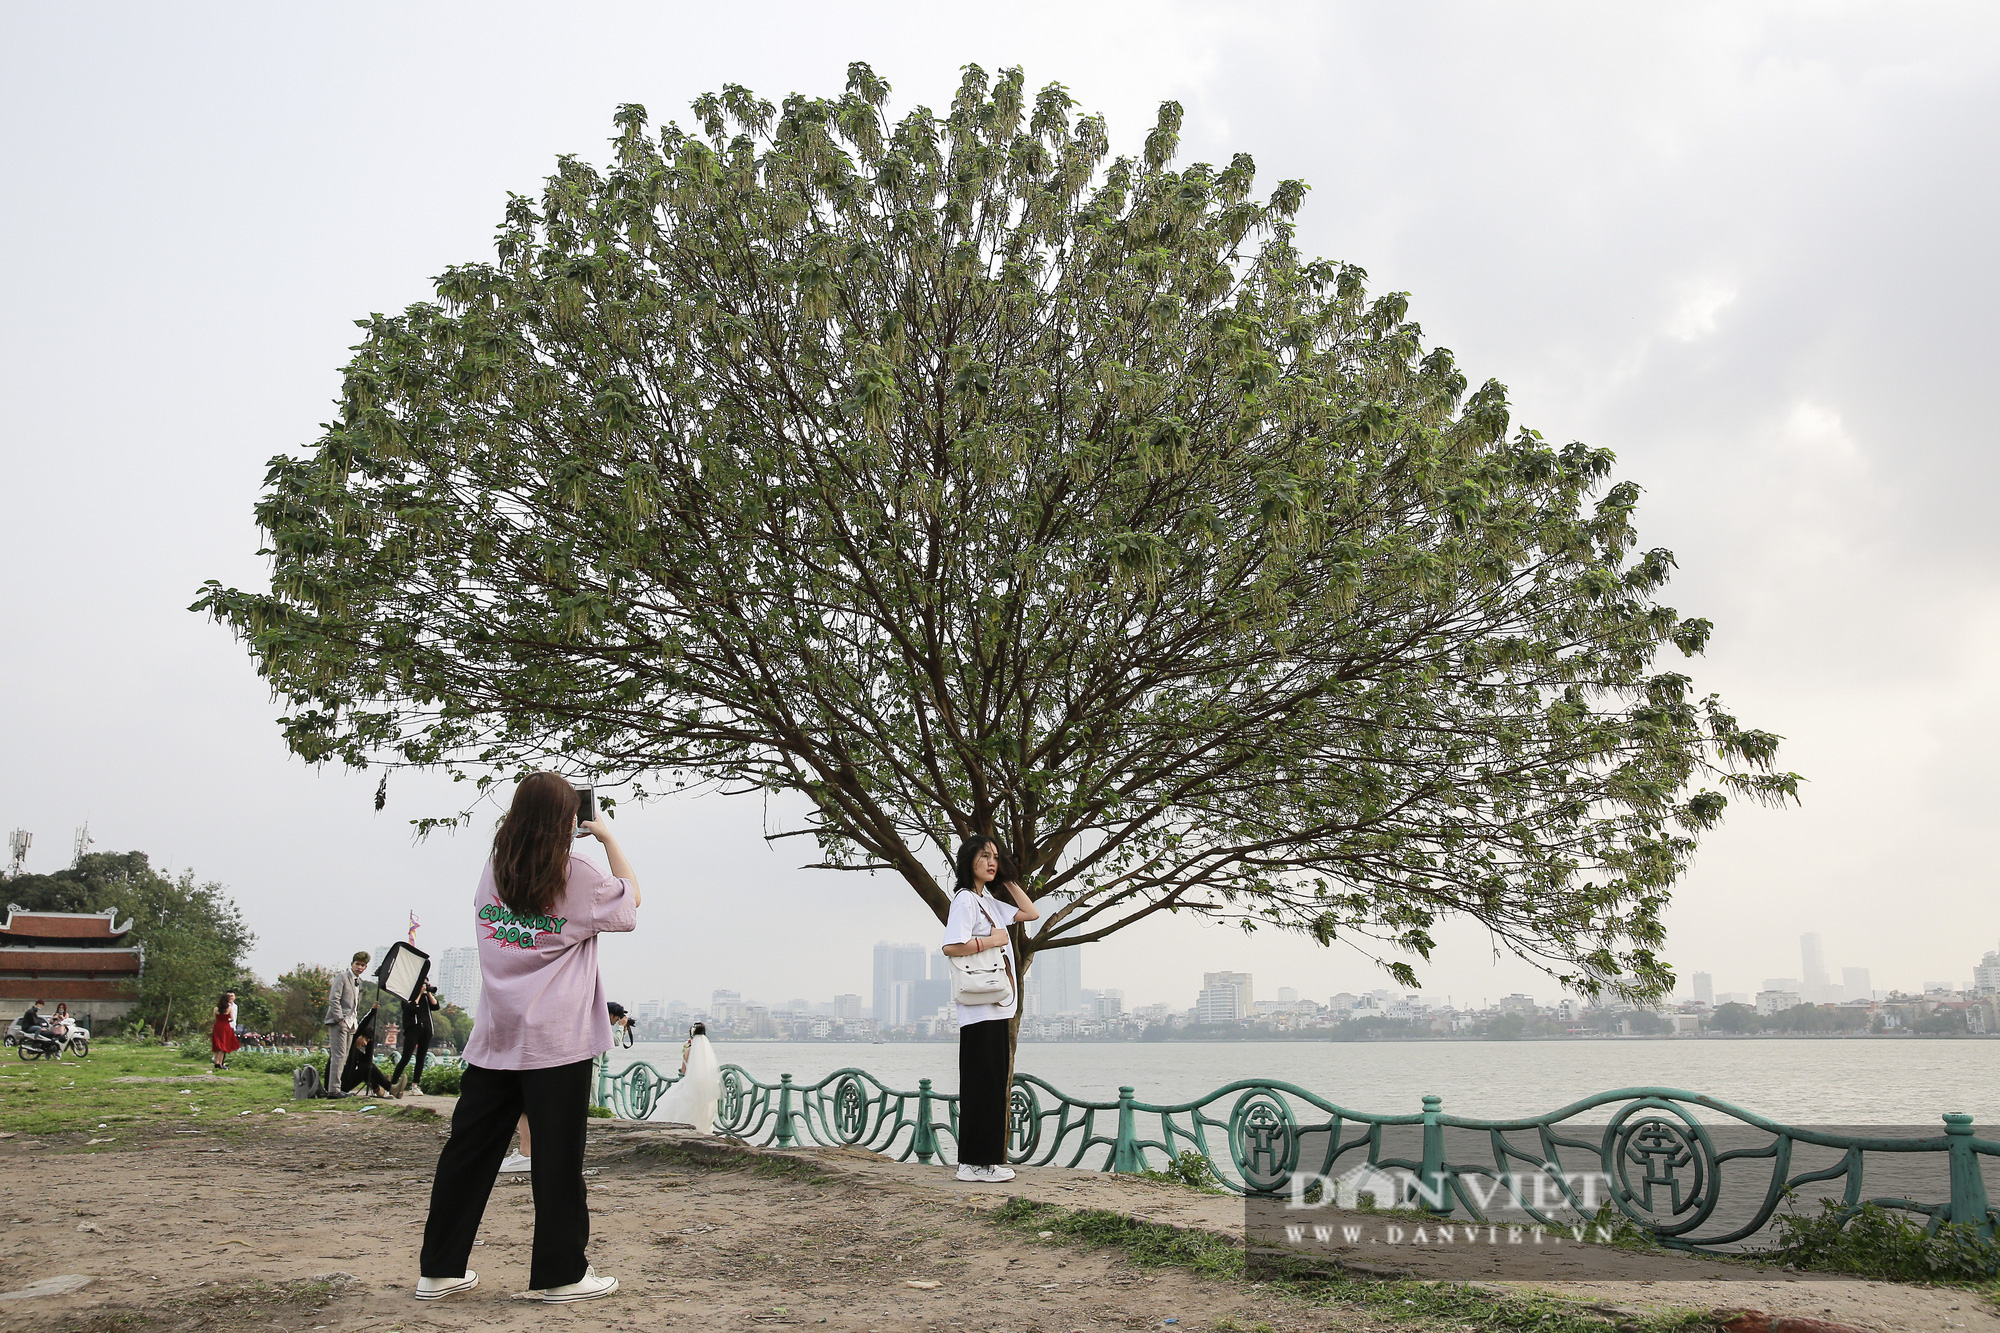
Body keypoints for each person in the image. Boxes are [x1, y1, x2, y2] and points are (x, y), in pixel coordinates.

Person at [416, 772, 640, 1304]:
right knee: (557, 1158)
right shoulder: (577, 870)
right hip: (556, 1040)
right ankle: (562, 1275)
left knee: (467, 1153)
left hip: (498, 1032)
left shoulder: (495, 869)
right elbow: (629, 906)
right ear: (568, 819)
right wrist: (607, 837)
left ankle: (440, 1270)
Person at [939, 836, 1040, 1183]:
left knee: (993, 1084)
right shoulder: (965, 900)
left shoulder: (990, 902)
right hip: (979, 1007)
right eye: (985, 857)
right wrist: (991, 941)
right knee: (981, 1085)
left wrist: (1008, 878)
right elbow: (952, 946)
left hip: (997, 1005)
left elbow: (1030, 912)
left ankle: (985, 1161)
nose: (991, 862)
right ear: (969, 861)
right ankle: (974, 1163)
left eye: (995, 858)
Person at [650, 1022, 721, 1132]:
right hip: (705, 1087)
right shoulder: (708, 1053)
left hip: (689, 1085)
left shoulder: (687, 1051)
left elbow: (684, 1071)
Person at [323, 952, 368, 1099]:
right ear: (352, 963)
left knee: (345, 1056)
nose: (360, 967)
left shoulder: (358, 982)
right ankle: (333, 1090)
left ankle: (337, 1088)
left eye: (363, 965)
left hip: (351, 1023)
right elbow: (334, 999)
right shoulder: (342, 977)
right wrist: (339, 1019)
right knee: (338, 1055)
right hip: (339, 1022)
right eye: (358, 964)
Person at [341, 1004, 402, 1097]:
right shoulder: (348, 1045)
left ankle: (379, 1089)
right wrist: (372, 1012)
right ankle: (390, 1088)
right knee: (367, 1067)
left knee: (367, 1067)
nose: (365, 1043)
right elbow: (361, 1026)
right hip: (339, 1084)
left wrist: (371, 1042)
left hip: (345, 1082)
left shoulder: (356, 1052)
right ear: (359, 1036)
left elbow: (368, 1062)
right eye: (365, 1040)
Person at [392, 980, 440, 1095]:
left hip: (426, 1030)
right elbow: (410, 1008)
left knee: (421, 1058)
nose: (424, 985)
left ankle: (415, 1085)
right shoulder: (408, 996)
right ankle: (392, 1084)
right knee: (406, 1057)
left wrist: (428, 992)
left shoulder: (426, 997)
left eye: (426, 983)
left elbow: (436, 1006)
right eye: (422, 983)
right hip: (413, 1030)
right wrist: (418, 994)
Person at [211, 991, 242, 1071]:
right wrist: (226, 1021)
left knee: (217, 1045)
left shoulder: (216, 1009)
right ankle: (220, 1063)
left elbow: (215, 1019)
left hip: (217, 1026)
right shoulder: (229, 1009)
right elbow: (232, 1019)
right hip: (225, 1027)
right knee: (223, 1045)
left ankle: (216, 1062)